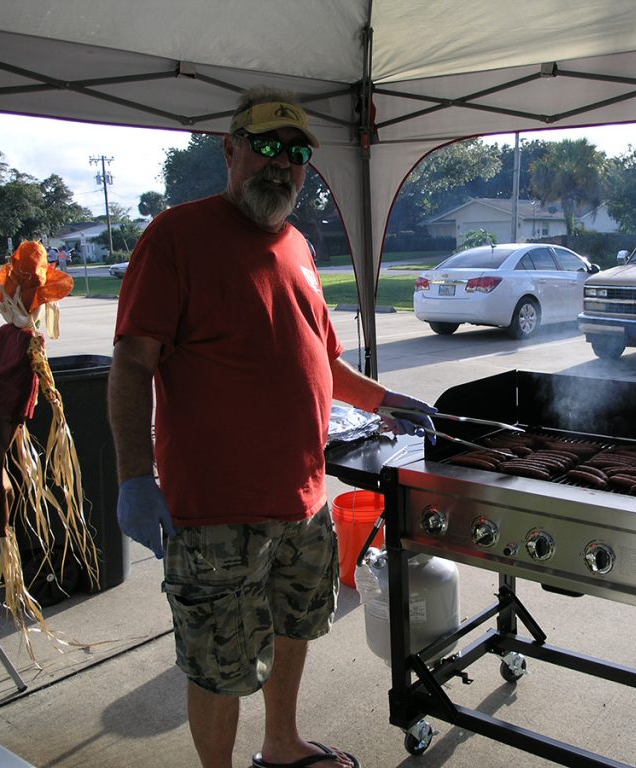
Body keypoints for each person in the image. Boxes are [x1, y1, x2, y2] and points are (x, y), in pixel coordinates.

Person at [108, 86, 435, 768]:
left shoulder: (296, 246)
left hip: (303, 496)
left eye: (295, 154)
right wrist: (135, 475)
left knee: (297, 627)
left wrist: (387, 400)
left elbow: (323, 362)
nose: (280, 164)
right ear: (230, 149)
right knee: (219, 662)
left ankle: (281, 745)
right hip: (215, 511)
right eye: (265, 146)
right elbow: (133, 363)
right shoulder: (176, 236)